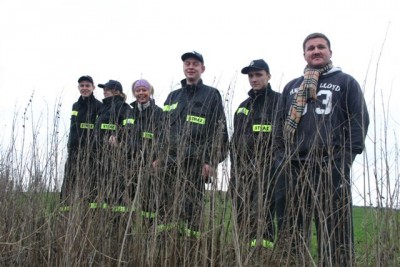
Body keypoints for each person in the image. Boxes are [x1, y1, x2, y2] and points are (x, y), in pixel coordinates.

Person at [274, 33, 369, 266]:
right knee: (291, 228)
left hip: (330, 166)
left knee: (335, 229)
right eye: (310, 48)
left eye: (321, 47)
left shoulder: (346, 82)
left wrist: (344, 158)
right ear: (304, 54)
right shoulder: (291, 87)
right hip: (294, 166)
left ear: (330, 52)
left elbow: (358, 121)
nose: (316, 51)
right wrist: (281, 159)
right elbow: (278, 127)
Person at [154, 51, 228, 238]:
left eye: (195, 63)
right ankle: (167, 249)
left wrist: (210, 161)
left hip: (194, 165)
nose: (191, 66)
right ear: (183, 68)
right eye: (187, 63)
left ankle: (190, 251)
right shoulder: (172, 97)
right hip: (168, 165)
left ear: (202, 68)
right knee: (166, 211)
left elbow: (219, 132)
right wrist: (157, 157)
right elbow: (162, 130)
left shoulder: (211, 95)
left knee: (191, 213)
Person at [230, 59, 280, 250]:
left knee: (262, 214)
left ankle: (262, 253)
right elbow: (236, 140)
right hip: (242, 172)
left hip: (267, 172)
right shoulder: (243, 106)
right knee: (242, 213)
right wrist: (235, 168)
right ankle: (242, 250)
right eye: (251, 76)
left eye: (258, 74)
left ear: (268, 76)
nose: (254, 79)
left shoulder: (279, 101)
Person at [61, 75, 102, 207]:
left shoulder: (99, 106)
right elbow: (73, 129)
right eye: (82, 86)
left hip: (92, 153)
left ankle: (91, 213)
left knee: (92, 184)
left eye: (87, 86)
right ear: (78, 88)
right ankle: (65, 211)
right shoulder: (75, 106)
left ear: (93, 88)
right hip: (74, 152)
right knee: (68, 182)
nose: (84, 88)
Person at [91, 79, 133, 210]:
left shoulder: (124, 108)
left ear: (116, 92)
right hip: (98, 157)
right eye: (103, 90)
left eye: (107, 90)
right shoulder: (103, 108)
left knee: (115, 192)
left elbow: (129, 130)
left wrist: (119, 139)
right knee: (99, 192)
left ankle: (116, 222)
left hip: (115, 159)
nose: (104, 92)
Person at [128, 79, 163, 222]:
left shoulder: (159, 113)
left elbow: (164, 138)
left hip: (151, 165)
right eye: (138, 90)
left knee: (149, 204)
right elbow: (123, 133)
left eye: (144, 90)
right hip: (130, 165)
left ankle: (149, 235)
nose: (141, 93)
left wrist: (159, 158)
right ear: (134, 93)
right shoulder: (129, 112)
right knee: (129, 202)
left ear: (150, 91)